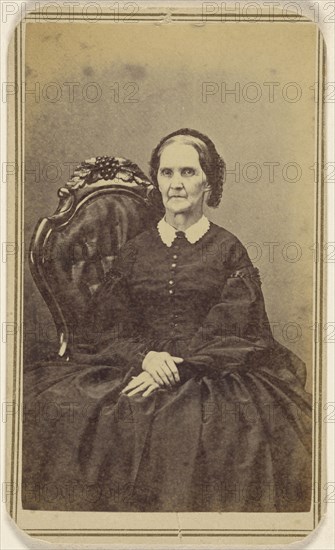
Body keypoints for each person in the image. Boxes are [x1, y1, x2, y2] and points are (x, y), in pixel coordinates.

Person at [23, 128, 312, 512]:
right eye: (167, 172)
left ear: (209, 182)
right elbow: (106, 329)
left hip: (213, 373)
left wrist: (179, 366)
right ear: (157, 179)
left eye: (188, 173)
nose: (176, 184)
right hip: (135, 368)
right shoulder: (133, 253)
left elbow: (238, 330)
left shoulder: (228, 249)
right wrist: (146, 359)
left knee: (221, 431)